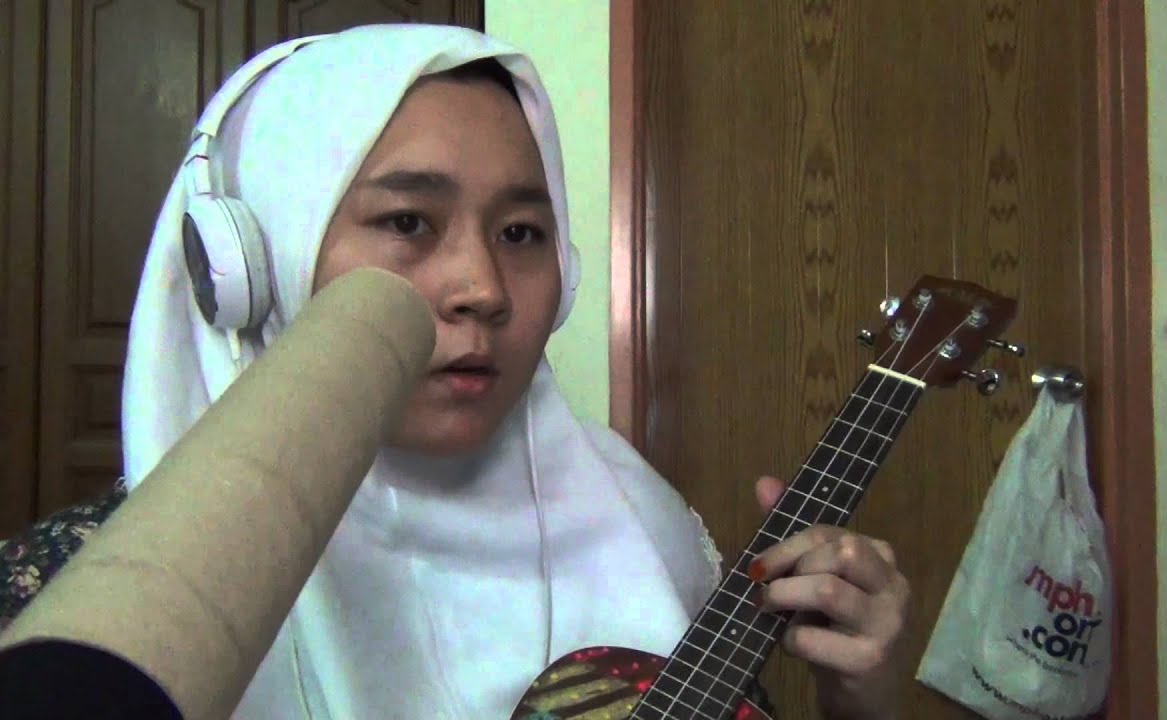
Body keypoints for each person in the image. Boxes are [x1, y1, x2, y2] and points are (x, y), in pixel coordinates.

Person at [5, 24, 910, 719]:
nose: (482, 288)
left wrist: (857, 698)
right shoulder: (69, 597)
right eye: (407, 223)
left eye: (521, 233)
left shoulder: (646, 529)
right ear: (255, 263)